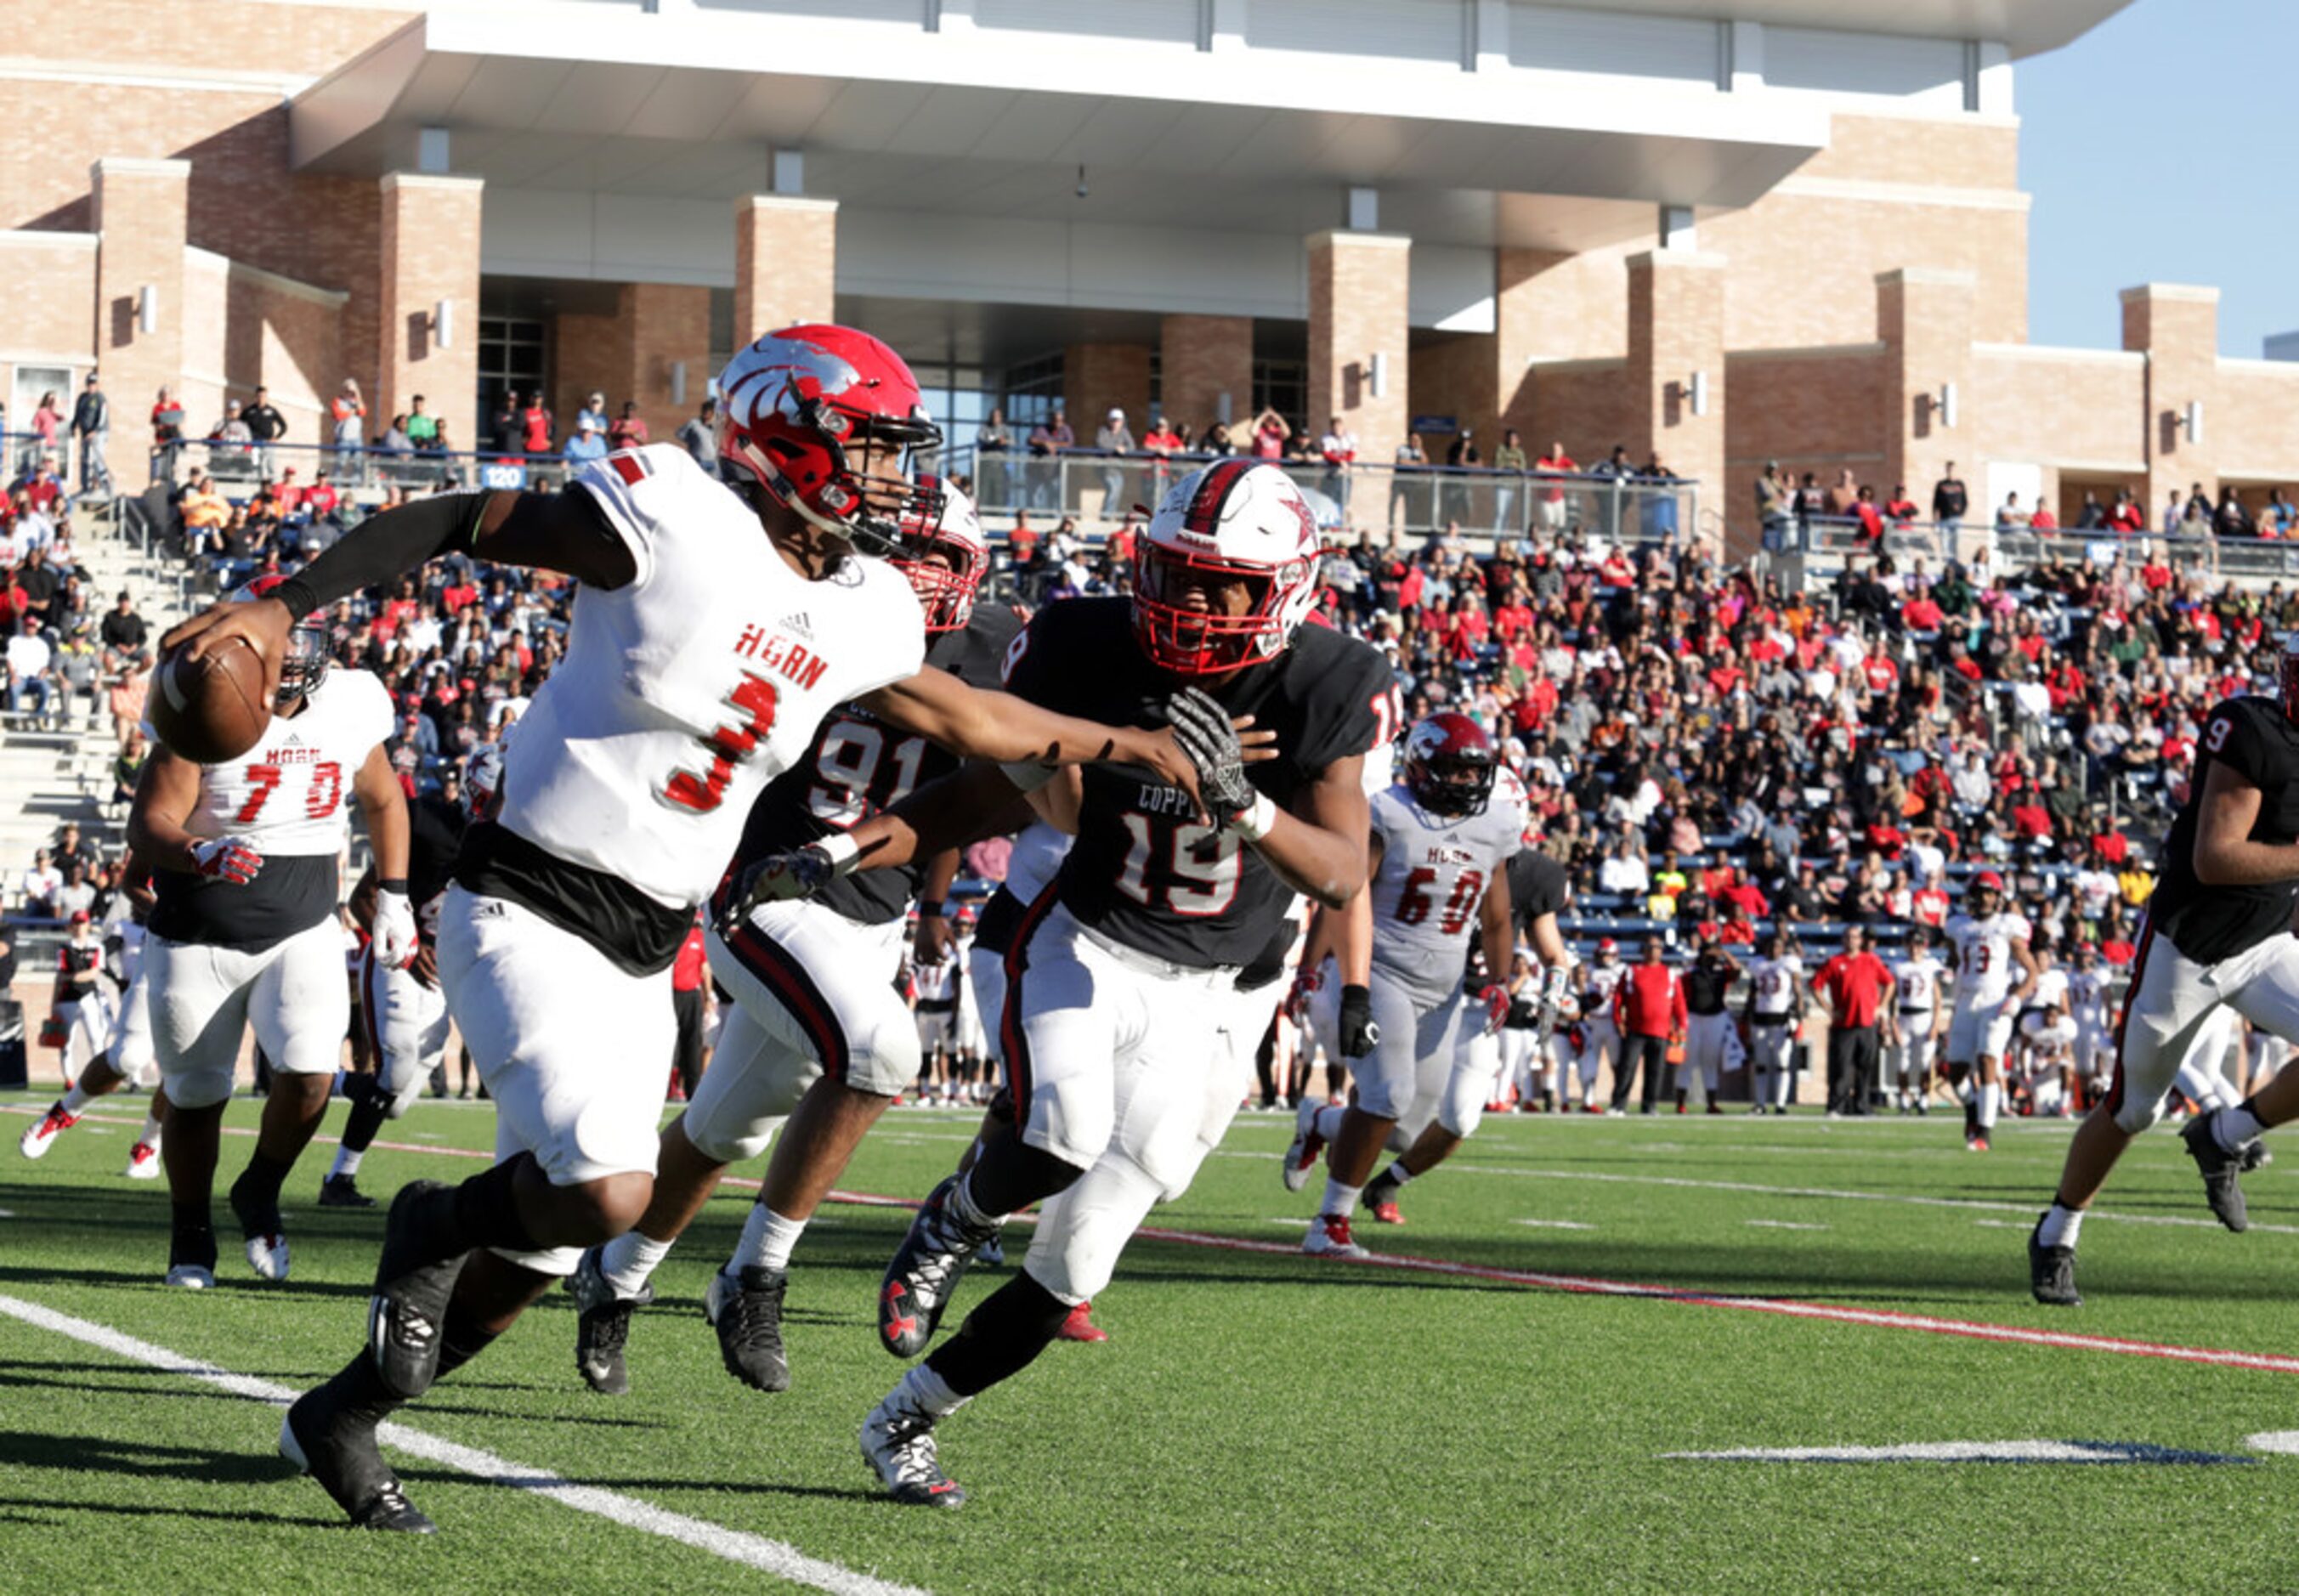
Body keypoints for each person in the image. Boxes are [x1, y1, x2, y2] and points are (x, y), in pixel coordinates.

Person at [167, 324, 1209, 1532]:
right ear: (790, 438)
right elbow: (465, 517)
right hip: (528, 898)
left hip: (650, 941)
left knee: (547, 1251)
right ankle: (430, 1217)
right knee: (607, 1189)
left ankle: (340, 1416)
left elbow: (971, 718)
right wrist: (287, 602)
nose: (895, 481)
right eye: (870, 451)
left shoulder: (869, 602)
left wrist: (1129, 745)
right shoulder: (673, 513)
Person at [733, 458, 1383, 1507]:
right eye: (1175, 573)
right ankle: (953, 1216)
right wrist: (852, 849)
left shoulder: (1326, 682)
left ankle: (907, 1418)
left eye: (1223, 586)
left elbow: (1345, 872)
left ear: (1288, 587)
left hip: (1208, 988)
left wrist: (1246, 807)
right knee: (1058, 1134)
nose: (1191, 604)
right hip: (1083, 935)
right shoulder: (1087, 642)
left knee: (1077, 1266)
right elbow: (989, 793)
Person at [563, 478, 1014, 1399]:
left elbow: (970, 796)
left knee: (725, 1126)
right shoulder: (811, 616)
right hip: (763, 890)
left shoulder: (992, 650)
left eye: (937, 558)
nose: (916, 576)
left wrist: (931, 898)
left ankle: (613, 1275)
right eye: (901, 551)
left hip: (871, 918)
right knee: (882, 1048)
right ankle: (754, 1275)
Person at [129, 572, 411, 1294]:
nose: (287, 655)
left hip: (303, 921)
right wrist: (200, 849)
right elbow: (150, 823)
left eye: (295, 638)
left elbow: (383, 796)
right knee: (196, 1095)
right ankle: (190, 1232)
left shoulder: (350, 700)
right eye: (269, 643)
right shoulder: (203, 701)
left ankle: (260, 1187)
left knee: (313, 1074)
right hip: (201, 925)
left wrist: (396, 893)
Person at [2028, 642, 2299, 1308]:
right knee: (2132, 1109)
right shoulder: (2250, 730)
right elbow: (2215, 859)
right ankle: (2056, 1231)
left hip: (2265, 942)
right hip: (2186, 946)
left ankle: (2223, 1135)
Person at [1280, 713, 1519, 1253]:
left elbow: (1498, 916)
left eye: (1473, 772)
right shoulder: (1390, 812)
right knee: (1388, 1096)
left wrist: (1502, 980)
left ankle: (1320, 1120)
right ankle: (1329, 1223)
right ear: (1421, 766)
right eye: (1454, 771)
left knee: (1407, 1129)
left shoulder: (1497, 824)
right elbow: (1347, 893)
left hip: (1444, 989)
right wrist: (1311, 967)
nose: (1466, 782)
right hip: (1380, 970)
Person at [1348, 839, 1571, 1222]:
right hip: (1421, 993)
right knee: (1386, 1098)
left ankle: (1388, 1182)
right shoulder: (1435, 850)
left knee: (1461, 1118)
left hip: (1479, 1007)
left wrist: (1553, 995)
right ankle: (1333, 1174)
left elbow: (1553, 953)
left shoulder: (1536, 874)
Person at [320, 743, 500, 1208]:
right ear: (480, 794)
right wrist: (411, 945)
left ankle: (324, 1079)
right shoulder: (427, 826)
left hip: (446, 978)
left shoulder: (511, 849)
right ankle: (338, 1178)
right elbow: (363, 901)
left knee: (395, 1102)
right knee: (393, 1073)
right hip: (399, 961)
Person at [18, 861, 165, 1177]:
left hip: (234, 949)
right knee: (127, 1054)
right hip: (165, 952)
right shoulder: (123, 927)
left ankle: (149, 1145)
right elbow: (134, 880)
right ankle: (63, 1112)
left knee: (198, 1077)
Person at [1941, 869, 2036, 1150]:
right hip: (1967, 1000)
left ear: (1998, 898)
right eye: (1980, 892)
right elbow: (1955, 960)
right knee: (1955, 1071)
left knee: (1988, 1061)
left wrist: (2017, 997)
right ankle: (1972, 1109)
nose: (1984, 898)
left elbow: (2031, 971)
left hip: (1995, 1001)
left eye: (1990, 893)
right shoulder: (1959, 927)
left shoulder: (2006, 927)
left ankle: (1984, 1132)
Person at [1815, 926, 1893, 1118]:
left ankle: (1862, 1105)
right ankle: (1836, 1106)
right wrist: (1829, 1009)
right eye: (1848, 937)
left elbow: (1889, 982)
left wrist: (1881, 1007)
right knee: (1841, 1068)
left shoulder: (1871, 961)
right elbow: (1816, 986)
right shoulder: (1835, 962)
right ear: (1843, 940)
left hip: (1867, 1022)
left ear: (1860, 941)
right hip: (1845, 1025)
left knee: (1865, 1068)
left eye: (1855, 937)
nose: (1851, 940)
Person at [1611, 937, 1679, 1115]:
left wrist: (1681, 1025)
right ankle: (1619, 1104)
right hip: (1636, 1029)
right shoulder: (1632, 971)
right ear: (1644, 950)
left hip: (1661, 1031)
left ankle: (1650, 1106)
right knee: (1627, 1068)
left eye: (1657, 947)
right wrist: (1618, 1020)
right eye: (1650, 947)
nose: (1653, 951)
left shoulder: (1669, 974)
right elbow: (1619, 998)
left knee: (1655, 1072)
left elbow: (1678, 1003)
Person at [1674, 937, 1741, 1112]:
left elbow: (1737, 969)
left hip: (1715, 1018)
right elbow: (1679, 994)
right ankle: (1680, 1103)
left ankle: (1711, 1103)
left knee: (1710, 1062)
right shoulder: (1692, 973)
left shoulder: (1722, 973)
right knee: (1687, 1061)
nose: (1712, 958)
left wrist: (1724, 953)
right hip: (1694, 1018)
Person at [1887, 925, 1946, 1113]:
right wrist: (1892, 1023)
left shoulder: (1931, 965)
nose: (1915, 948)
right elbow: (1890, 997)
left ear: (1924, 946)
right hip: (1904, 1016)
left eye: (1919, 944)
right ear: (1905, 945)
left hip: (1925, 1016)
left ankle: (1923, 1096)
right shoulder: (1898, 965)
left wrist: (1936, 1023)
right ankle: (1904, 1096)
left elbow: (1938, 998)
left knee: (1925, 1061)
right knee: (1902, 1062)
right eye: (1911, 944)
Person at [1743, 930, 1805, 1113]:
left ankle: (1780, 1104)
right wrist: (1747, 1017)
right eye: (1771, 945)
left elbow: (1798, 991)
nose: (1774, 949)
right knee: (1761, 1063)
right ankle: (1760, 1104)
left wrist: (1798, 1016)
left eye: (1778, 946)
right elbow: (1752, 992)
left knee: (1782, 1062)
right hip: (1760, 1017)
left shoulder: (1789, 963)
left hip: (1781, 1018)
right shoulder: (1757, 964)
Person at [71, 373, 110, 497]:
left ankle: (104, 485)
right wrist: (73, 426)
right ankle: (85, 486)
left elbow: (102, 418)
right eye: (89, 383)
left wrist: (95, 431)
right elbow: (78, 414)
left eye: (93, 384)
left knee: (97, 458)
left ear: (97, 385)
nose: (91, 386)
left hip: (98, 433)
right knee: (85, 459)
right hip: (85, 434)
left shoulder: (100, 398)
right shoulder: (82, 397)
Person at [676, 398, 718, 473]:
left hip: (713, 462)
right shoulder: (694, 423)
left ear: (712, 412)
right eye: (704, 410)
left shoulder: (717, 425)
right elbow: (679, 434)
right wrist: (692, 440)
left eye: (708, 411)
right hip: (699, 460)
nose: (706, 413)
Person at [1933, 462, 1968, 543]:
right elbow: (1935, 503)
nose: (1950, 471)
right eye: (1948, 469)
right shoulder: (1941, 484)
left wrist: (1960, 513)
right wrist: (1935, 520)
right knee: (1944, 544)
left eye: (1952, 469)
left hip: (1956, 519)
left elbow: (1965, 501)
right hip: (1944, 518)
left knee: (1956, 543)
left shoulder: (1960, 484)